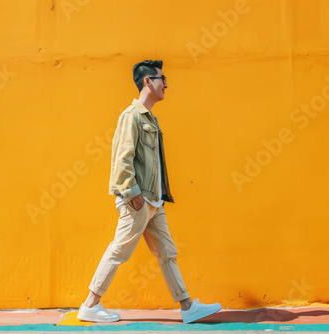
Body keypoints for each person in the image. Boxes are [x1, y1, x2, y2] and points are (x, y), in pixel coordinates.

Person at [76, 60, 222, 324]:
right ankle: (90, 305)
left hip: (153, 201)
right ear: (147, 82)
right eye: (161, 79)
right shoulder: (131, 116)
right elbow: (122, 159)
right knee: (119, 250)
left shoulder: (150, 118)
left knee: (167, 252)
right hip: (138, 200)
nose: (165, 84)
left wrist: (153, 198)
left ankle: (187, 306)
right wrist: (133, 195)